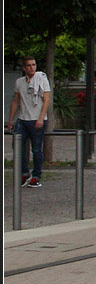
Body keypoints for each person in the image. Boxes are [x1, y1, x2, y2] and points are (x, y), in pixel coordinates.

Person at [8, 57, 51, 188]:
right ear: (24, 68)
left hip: (36, 119)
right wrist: (11, 119)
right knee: (17, 146)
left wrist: (41, 118)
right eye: (29, 65)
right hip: (23, 118)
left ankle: (36, 175)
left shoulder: (42, 79)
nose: (32, 67)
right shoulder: (20, 82)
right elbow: (16, 101)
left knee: (37, 149)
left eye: (33, 65)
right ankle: (24, 172)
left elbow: (46, 99)